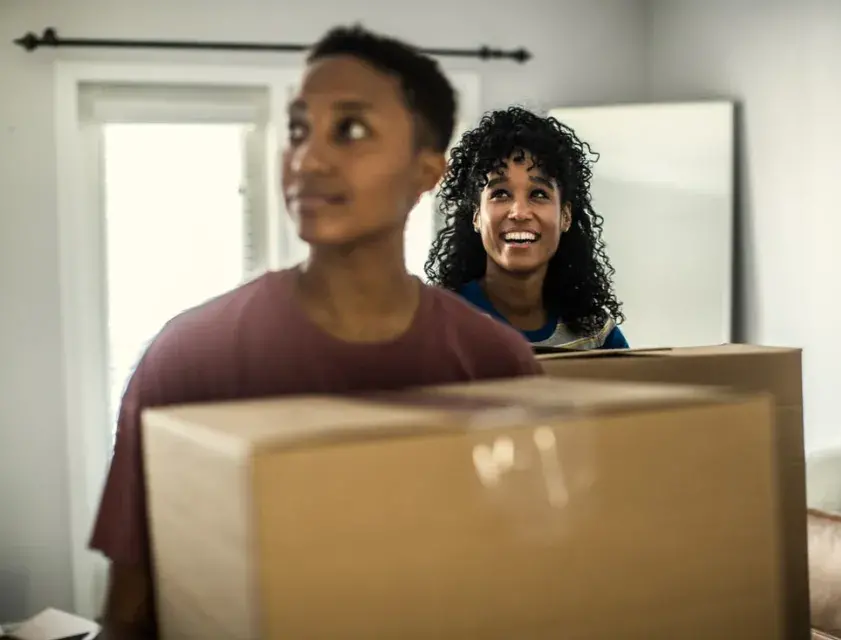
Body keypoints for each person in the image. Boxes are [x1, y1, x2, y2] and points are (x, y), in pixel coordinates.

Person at [90, 26, 542, 639]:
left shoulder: (496, 362)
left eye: (350, 130)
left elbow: (528, 588)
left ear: (426, 171)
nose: (307, 159)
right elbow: (126, 616)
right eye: (298, 130)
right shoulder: (188, 357)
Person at [425, 107, 628, 350]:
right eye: (500, 193)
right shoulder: (434, 322)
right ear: (477, 216)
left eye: (538, 194)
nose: (519, 212)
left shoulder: (597, 334)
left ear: (565, 216)